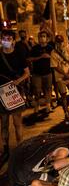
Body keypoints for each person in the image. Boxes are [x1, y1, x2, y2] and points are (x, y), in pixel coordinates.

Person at [0, 29, 30, 165]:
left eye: (8, 38)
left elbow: (27, 73)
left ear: (13, 40)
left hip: (15, 93)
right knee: (4, 123)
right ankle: (6, 149)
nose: (6, 41)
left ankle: (20, 148)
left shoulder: (19, 55)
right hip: (1, 95)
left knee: (17, 123)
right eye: (3, 38)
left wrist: (18, 81)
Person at [50, 35, 69, 120]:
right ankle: (66, 112)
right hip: (60, 77)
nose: (60, 44)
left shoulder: (68, 50)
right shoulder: (53, 53)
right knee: (63, 95)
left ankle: (65, 107)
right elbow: (55, 66)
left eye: (61, 42)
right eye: (58, 42)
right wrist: (64, 74)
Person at [29, 30, 54, 113]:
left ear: (46, 38)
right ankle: (37, 105)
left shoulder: (50, 48)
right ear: (38, 38)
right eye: (41, 36)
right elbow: (29, 59)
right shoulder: (35, 48)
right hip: (37, 73)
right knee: (37, 90)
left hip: (48, 72)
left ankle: (48, 106)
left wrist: (49, 57)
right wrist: (40, 57)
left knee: (48, 90)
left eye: (44, 36)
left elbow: (55, 59)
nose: (42, 38)